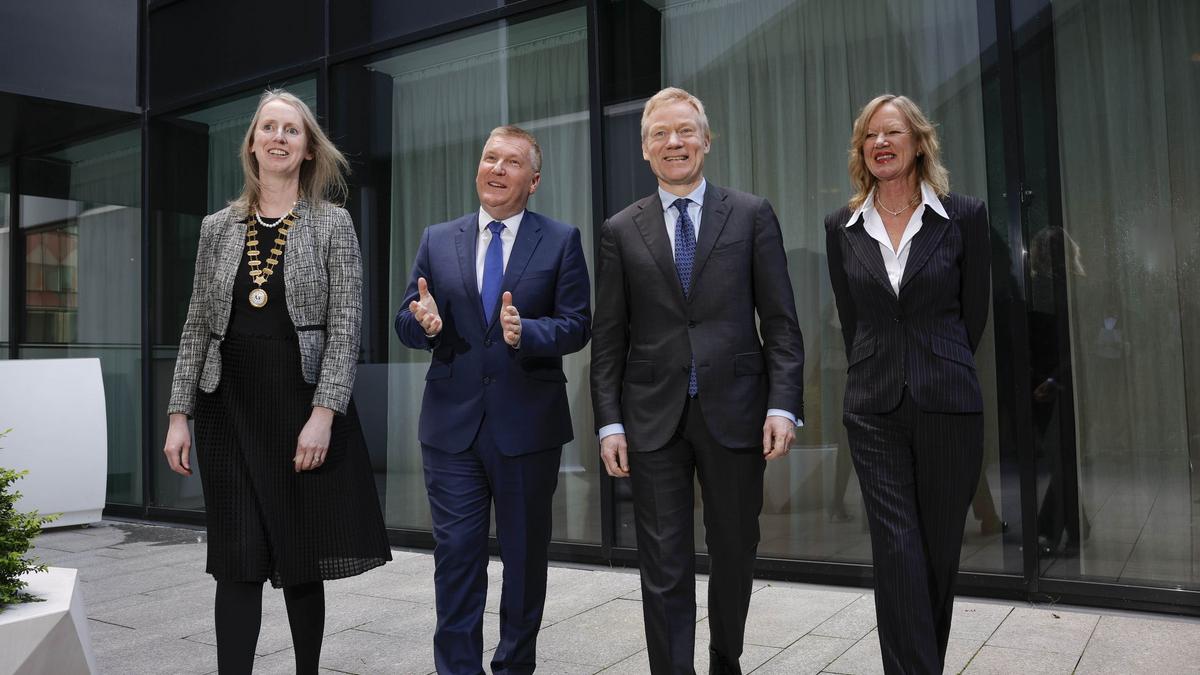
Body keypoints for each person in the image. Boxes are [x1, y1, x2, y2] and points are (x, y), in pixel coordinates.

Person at [161, 89, 391, 674]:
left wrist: (324, 414)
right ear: (252, 144)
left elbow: (345, 327)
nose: (279, 138)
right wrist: (179, 414)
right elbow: (196, 324)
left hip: (297, 405)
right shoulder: (217, 227)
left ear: (308, 149)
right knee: (236, 560)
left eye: (291, 130)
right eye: (268, 127)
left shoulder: (333, 223)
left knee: (300, 556)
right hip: (226, 406)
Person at [590, 87, 805, 674]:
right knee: (662, 562)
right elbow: (608, 338)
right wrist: (609, 423)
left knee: (735, 549)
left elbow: (781, 322)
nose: (674, 142)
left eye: (685, 130)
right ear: (645, 149)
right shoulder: (620, 229)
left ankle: (724, 660)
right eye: (660, 134)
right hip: (651, 418)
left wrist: (782, 406)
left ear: (706, 140)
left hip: (737, 411)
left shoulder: (752, 214)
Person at [394, 125, 591, 675]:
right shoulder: (437, 239)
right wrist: (423, 323)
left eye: (511, 162)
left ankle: (513, 667)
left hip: (527, 427)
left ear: (534, 181)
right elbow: (406, 319)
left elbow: (578, 325)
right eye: (489, 158)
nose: (497, 169)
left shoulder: (560, 240)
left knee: (524, 561)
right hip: (451, 428)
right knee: (457, 557)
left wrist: (528, 332)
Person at [823, 94, 991, 673]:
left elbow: (973, 314)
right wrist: (880, 367)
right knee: (896, 548)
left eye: (892, 132)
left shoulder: (964, 216)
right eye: (870, 135)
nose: (880, 143)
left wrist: (937, 362)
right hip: (873, 408)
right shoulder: (842, 227)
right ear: (860, 149)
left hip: (948, 403)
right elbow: (852, 319)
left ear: (919, 142)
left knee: (938, 554)